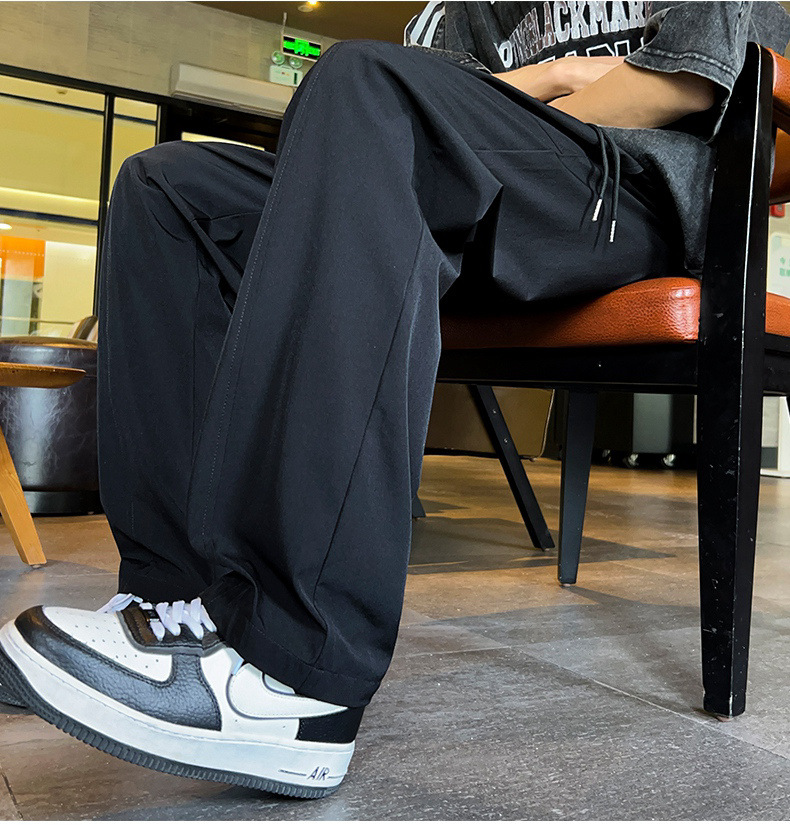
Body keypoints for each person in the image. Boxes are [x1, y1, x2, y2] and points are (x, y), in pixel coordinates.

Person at [0, 0, 787, 800]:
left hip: (629, 193)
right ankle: (176, 602)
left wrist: (497, 108)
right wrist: (552, 76)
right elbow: (436, 92)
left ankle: (293, 673)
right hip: (482, 184)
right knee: (168, 187)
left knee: (363, 84)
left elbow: (678, 86)